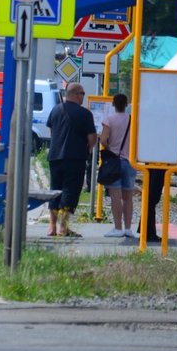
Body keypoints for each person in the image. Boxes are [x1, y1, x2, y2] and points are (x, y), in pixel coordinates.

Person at [45, 82, 96, 237]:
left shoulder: (55, 110)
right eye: (82, 94)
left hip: (55, 157)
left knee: (54, 190)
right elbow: (92, 138)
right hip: (75, 157)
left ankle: (51, 227)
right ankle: (63, 227)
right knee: (70, 192)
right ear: (75, 94)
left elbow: (52, 131)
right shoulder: (85, 114)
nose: (83, 97)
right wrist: (88, 149)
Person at [99, 93, 137, 238]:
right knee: (128, 197)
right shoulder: (132, 120)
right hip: (130, 162)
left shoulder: (109, 119)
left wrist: (110, 147)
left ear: (113, 104)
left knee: (116, 197)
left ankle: (117, 228)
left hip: (113, 162)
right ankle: (128, 228)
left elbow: (103, 140)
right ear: (126, 105)